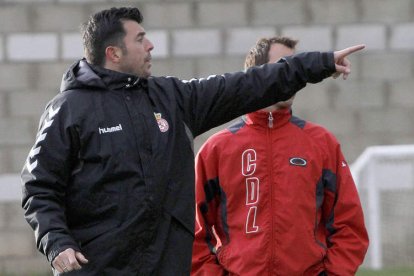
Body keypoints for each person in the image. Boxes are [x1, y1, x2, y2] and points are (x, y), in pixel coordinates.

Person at [20, 5, 364, 276]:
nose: (151, 44)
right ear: (113, 52)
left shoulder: (172, 99)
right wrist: (55, 241)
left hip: (166, 268)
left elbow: (243, 85)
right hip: (97, 268)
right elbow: (39, 187)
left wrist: (315, 65)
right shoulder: (69, 109)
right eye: (140, 38)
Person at [191, 37, 369, 276]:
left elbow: (350, 227)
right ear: (258, 75)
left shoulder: (321, 143)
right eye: (285, 67)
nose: (293, 76)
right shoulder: (217, 149)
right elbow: (191, 233)